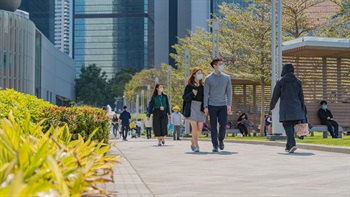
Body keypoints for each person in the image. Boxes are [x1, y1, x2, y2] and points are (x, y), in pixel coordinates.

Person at [270, 63, 306, 153]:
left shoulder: (281, 81)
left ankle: (293, 144)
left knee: (287, 125)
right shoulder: (298, 82)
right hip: (297, 108)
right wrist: (303, 108)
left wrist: (272, 106)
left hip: (286, 107)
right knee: (291, 127)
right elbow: (301, 97)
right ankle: (288, 147)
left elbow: (275, 95)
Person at [203, 58, 232, 152]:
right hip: (212, 105)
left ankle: (221, 140)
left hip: (223, 105)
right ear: (214, 66)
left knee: (223, 124)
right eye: (219, 64)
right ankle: (215, 145)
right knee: (213, 126)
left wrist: (229, 104)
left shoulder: (227, 78)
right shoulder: (208, 78)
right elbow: (206, 93)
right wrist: (205, 106)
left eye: (222, 64)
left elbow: (229, 92)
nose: (221, 66)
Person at [182, 67, 206, 152]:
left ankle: (193, 141)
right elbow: (184, 97)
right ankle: (197, 146)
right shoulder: (189, 86)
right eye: (198, 73)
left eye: (201, 73)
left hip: (200, 107)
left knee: (199, 129)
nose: (200, 74)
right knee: (194, 127)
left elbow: (205, 97)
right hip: (192, 106)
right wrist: (192, 93)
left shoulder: (203, 86)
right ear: (194, 74)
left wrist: (206, 107)